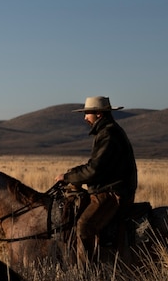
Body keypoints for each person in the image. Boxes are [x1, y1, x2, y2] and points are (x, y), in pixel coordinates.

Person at [55, 95, 138, 261]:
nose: (85, 117)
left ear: (99, 114)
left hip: (112, 192)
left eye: (88, 113)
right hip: (111, 188)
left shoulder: (108, 134)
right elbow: (95, 164)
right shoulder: (106, 131)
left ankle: (87, 273)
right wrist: (72, 174)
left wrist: (68, 177)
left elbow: (95, 170)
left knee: (84, 226)